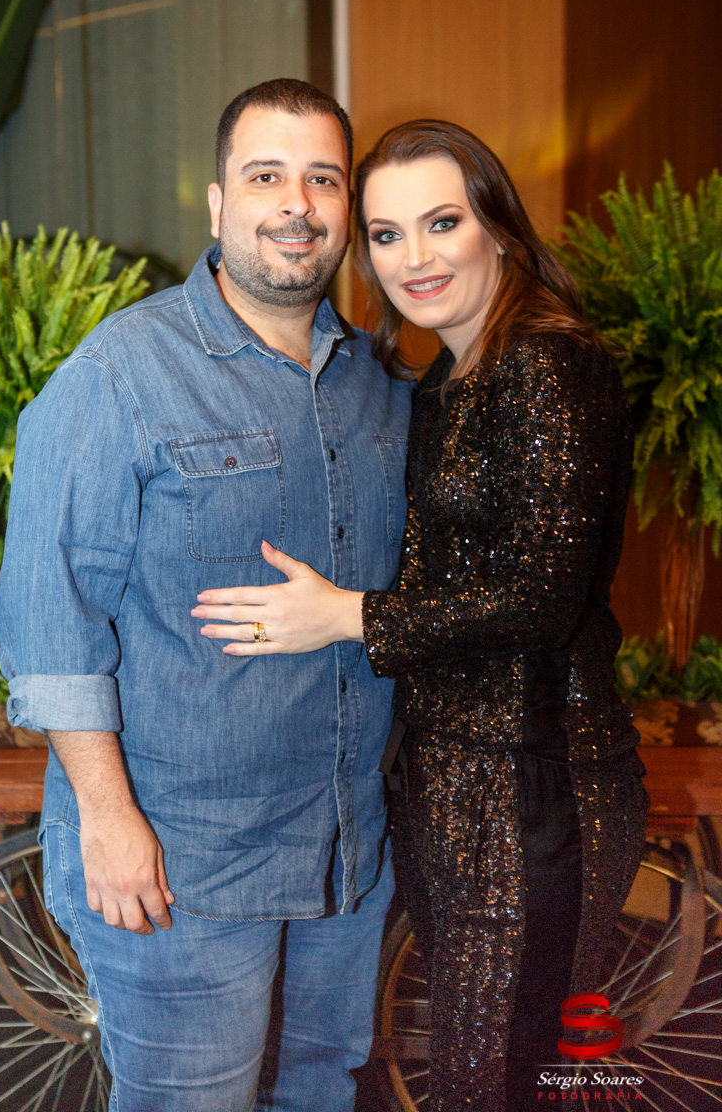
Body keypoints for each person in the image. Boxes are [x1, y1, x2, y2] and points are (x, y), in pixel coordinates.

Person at [190, 119, 649, 1112]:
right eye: (387, 234)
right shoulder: (445, 375)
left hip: (534, 784)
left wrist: (345, 616)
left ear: (498, 227)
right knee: (474, 1075)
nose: (414, 259)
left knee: (492, 1083)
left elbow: (540, 597)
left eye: (441, 223)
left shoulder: (547, 362)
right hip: (448, 782)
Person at [0, 79, 412, 1112]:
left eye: (322, 179)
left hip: (345, 855)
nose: (296, 205)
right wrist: (107, 819)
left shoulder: (379, 386)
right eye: (265, 176)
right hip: (183, 864)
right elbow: (51, 621)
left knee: (321, 1091)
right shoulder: (119, 375)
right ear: (219, 203)